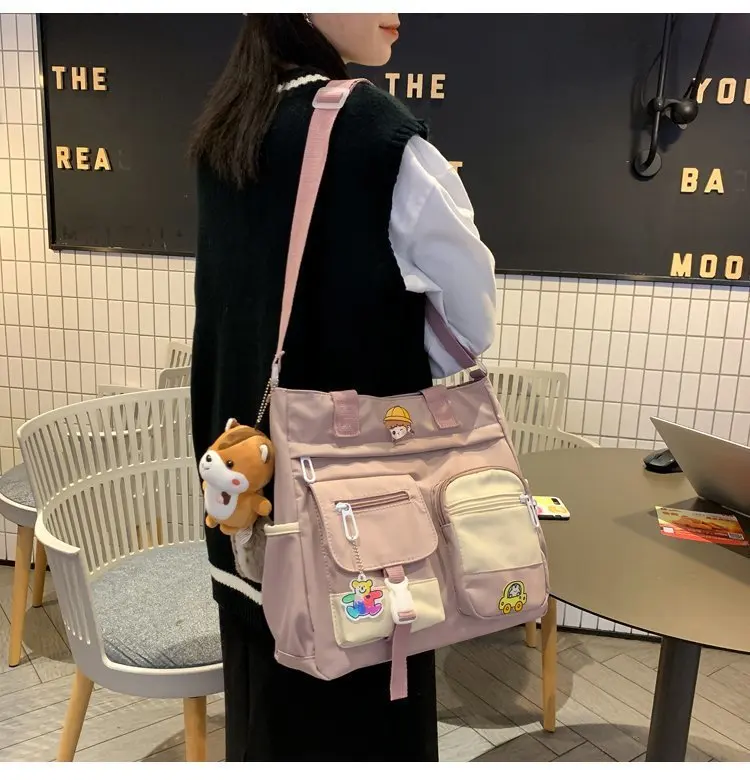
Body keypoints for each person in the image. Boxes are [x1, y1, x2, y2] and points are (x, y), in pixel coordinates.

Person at [189, 13, 496, 762]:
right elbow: (471, 318)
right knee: (365, 695)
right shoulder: (372, 131)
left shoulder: (228, 125)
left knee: (266, 691)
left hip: (241, 483)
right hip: (356, 504)